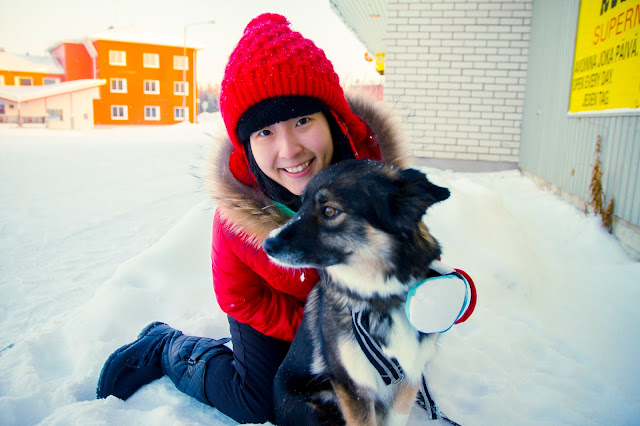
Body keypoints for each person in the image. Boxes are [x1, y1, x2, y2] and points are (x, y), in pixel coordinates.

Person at [96, 13, 474, 424]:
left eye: (302, 120)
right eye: (265, 132)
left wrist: (442, 295)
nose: (289, 149)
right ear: (247, 145)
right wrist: (324, 332)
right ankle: (166, 346)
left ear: (332, 121)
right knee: (258, 402)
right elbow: (239, 298)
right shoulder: (238, 216)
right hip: (275, 312)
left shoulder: (376, 182)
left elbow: (411, 258)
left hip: (348, 313)